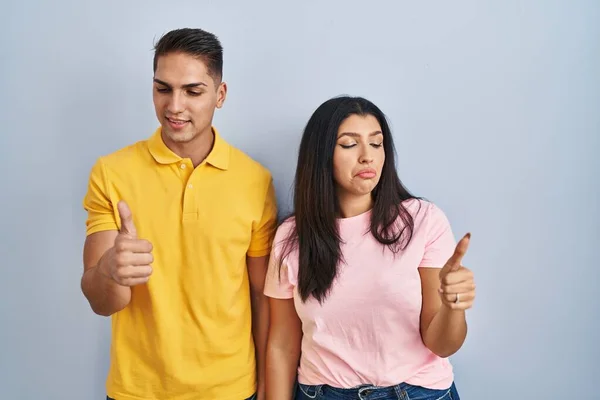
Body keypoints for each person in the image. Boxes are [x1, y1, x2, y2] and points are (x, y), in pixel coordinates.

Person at [81, 28, 277, 400]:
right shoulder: (111, 172)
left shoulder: (255, 180)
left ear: (220, 95)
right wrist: (109, 270)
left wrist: (266, 382)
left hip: (231, 389)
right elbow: (102, 302)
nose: (174, 106)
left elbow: (260, 294)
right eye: (163, 89)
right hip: (138, 391)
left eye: (193, 91)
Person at [264, 96, 476, 400]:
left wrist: (455, 307)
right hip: (322, 393)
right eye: (350, 145)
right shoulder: (291, 238)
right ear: (322, 155)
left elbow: (441, 344)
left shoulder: (422, 220)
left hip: (416, 392)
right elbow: (282, 344)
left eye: (376, 144)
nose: (368, 157)